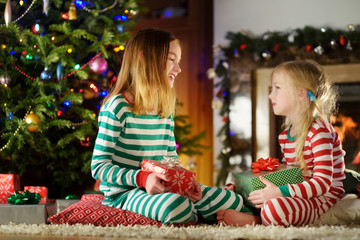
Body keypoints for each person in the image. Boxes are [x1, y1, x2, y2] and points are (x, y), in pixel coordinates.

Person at [91, 28, 249, 225]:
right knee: (176, 206)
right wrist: (143, 179)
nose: (178, 68)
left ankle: (193, 212)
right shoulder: (117, 107)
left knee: (231, 199)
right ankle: (194, 214)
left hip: (164, 188)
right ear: (144, 58)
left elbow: (170, 159)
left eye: (178, 61)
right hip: (126, 192)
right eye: (171, 59)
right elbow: (99, 167)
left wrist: (186, 182)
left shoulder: (163, 109)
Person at [217, 60, 346, 226]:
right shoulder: (285, 136)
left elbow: (322, 184)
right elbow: (290, 176)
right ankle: (250, 208)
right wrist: (247, 188)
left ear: (300, 94)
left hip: (321, 199)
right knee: (242, 197)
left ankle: (255, 220)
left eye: (277, 88)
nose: (271, 95)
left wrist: (279, 192)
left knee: (274, 208)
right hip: (298, 195)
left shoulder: (319, 131)